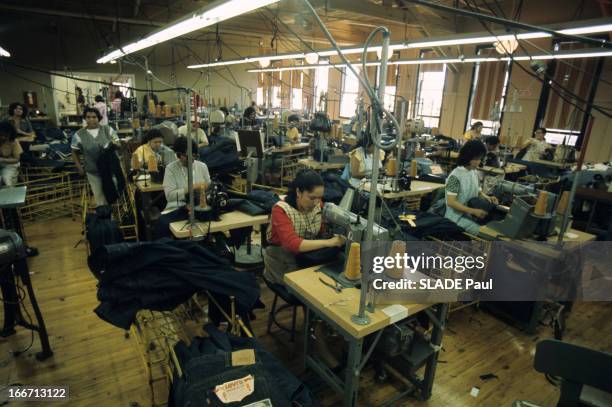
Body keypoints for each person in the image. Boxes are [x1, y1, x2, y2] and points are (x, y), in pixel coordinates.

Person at [264, 170, 345, 285]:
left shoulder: (318, 204)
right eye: (312, 198)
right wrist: (329, 242)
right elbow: (292, 244)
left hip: (306, 257)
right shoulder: (281, 210)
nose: (317, 202)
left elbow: (321, 229)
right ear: (298, 192)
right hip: (282, 260)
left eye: (320, 197)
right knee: (309, 289)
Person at [445, 140, 498, 235]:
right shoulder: (455, 176)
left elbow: (477, 191)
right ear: (468, 157)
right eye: (477, 159)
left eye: (480, 159)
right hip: (456, 217)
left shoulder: (473, 172)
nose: (479, 162)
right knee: (486, 233)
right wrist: (473, 211)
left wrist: (487, 197)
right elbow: (451, 202)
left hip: (470, 214)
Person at [71, 107, 121, 207]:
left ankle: (116, 218)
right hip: (93, 171)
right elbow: (74, 151)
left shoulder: (108, 130)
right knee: (99, 197)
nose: (91, 119)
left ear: (99, 118)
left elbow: (119, 145)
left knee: (114, 195)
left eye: (94, 117)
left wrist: (114, 144)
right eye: (88, 117)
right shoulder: (79, 135)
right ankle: (105, 220)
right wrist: (79, 167)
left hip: (110, 170)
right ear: (85, 118)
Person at [162, 137, 211, 213]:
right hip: (178, 208)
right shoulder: (171, 169)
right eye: (187, 156)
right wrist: (192, 188)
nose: (191, 159)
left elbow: (209, 187)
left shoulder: (202, 166)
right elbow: (170, 196)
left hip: (200, 206)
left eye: (194, 155)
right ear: (178, 155)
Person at [0, 121, 23, 186]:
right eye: (1, 135)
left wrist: (2, 159)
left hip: (10, 165)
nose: (3, 137)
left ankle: (9, 194)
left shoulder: (14, 141)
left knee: (6, 179)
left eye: (6, 136)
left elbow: (17, 159)